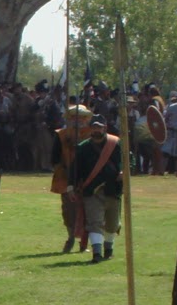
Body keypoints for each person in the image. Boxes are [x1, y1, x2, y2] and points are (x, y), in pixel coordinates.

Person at [73, 111, 123, 263]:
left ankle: (109, 248)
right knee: (95, 222)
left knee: (112, 224)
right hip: (92, 191)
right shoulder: (83, 148)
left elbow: (128, 160)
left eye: (99, 128)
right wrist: (71, 187)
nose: (96, 130)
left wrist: (124, 171)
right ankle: (97, 253)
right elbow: (75, 170)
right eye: (94, 127)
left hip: (113, 189)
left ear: (105, 128)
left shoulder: (115, 144)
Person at [50, 104, 90, 254]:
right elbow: (54, 158)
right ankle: (71, 237)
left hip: (87, 178)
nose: (78, 120)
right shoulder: (61, 134)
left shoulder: (92, 134)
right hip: (65, 177)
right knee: (68, 210)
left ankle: (84, 242)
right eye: (74, 117)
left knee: (87, 210)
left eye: (81, 117)